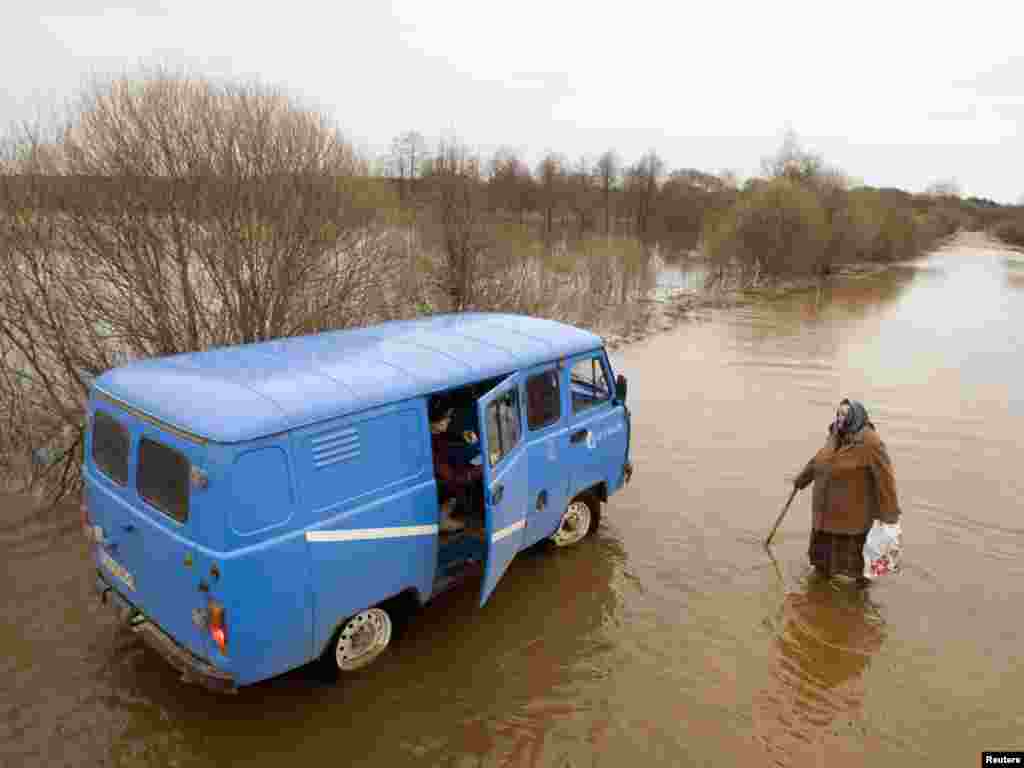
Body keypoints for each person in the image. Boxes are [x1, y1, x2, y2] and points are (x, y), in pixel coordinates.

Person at [792, 398, 901, 585]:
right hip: (826, 510)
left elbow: (885, 478)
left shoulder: (870, 442)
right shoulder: (835, 435)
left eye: (844, 414)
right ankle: (821, 587)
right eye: (838, 414)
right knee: (822, 561)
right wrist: (802, 479)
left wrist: (889, 514)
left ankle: (859, 592)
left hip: (852, 513)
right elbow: (819, 460)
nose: (839, 418)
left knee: (857, 562)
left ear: (855, 416)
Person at [429, 400, 483, 533]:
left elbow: (448, 451)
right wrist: (481, 469)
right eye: (446, 417)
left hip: (447, 472)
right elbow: (453, 478)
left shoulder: (437, 435)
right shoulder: (428, 444)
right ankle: (443, 519)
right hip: (441, 483)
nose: (449, 420)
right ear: (436, 421)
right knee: (456, 486)